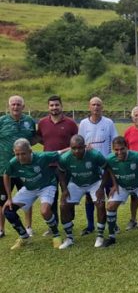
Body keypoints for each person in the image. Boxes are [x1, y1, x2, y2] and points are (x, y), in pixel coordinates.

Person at [2, 139, 62, 249]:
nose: (20, 157)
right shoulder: (13, 162)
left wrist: (83, 147)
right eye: (17, 154)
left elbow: (61, 152)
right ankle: (24, 237)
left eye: (23, 154)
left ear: (30, 151)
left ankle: (56, 235)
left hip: (47, 186)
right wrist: (9, 198)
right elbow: (6, 175)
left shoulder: (42, 157)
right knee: (8, 211)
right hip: (29, 189)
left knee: (45, 211)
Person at [58, 135, 114, 248]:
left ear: (85, 146)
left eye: (80, 148)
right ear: (70, 147)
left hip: (94, 182)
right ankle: (69, 238)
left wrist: (101, 188)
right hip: (76, 183)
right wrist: (64, 190)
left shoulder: (95, 155)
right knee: (63, 205)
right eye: (74, 148)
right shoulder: (65, 157)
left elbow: (107, 169)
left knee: (100, 203)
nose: (77, 151)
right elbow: (61, 173)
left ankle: (100, 236)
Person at [35, 95, 78, 236]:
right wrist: (50, 148)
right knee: (51, 196)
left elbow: (76, 143)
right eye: (52, 105)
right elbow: (41, 138)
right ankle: (53, 224)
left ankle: (69, 221)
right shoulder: (42, 123)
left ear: (61, 106)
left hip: (66, 165)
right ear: (48, 107)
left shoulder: (71, 123)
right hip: (48, 166)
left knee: (68, 193)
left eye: (57, 105)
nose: (54, 108)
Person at [103, 136, 138, 247]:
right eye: (116, 150)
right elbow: (108, 169)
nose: (119, 152)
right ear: (113, 149)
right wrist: (115, 184)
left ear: (127, 148)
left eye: (122, 149)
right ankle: (111, 237)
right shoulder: (109, 159)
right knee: (110, 206)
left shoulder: (137, 156)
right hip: (122, 186)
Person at [78, 97, 118, 236]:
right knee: (90, 196)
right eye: (93, 105)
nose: (96, 107)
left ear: (102, 107)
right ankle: (90, 225)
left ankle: (114, 223)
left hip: (106, 165)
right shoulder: (83, 124)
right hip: (90, 167)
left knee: (110, 194)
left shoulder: (109, 123)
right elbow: (79, 143)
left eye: (98, 105)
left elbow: (115, 142)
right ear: (89, 107)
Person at [0, 95, 36, 238]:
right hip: (4, 167)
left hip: (25, 168)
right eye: (13, 104)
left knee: (28, 198)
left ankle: (28, 227)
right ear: (9, 106)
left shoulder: (29, 121)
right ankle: (1, 229)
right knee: (2, 200)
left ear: (23, 106)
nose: (15, 107)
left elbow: (34, 138)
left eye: (18, 104)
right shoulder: (2, 121)